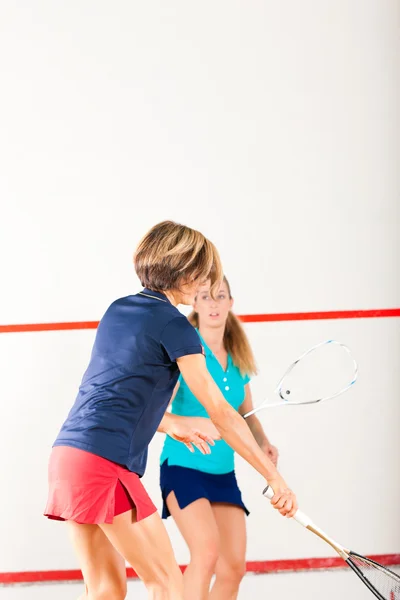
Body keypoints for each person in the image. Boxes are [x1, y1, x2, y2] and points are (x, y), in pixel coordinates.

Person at [44, 220, 297, 600]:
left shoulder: (118, 310)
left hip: (68, 458)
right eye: (202, 274)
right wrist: (274, 477)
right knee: (168, 586)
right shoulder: (175, 325)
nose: (204, 284)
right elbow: (222, 413)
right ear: (184, 269)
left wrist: (170, 423)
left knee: (105, 591)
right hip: (104, 463)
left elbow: (112, 397)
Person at [159, 277, 279, 599]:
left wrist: (263, 441)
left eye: (220, 296)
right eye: (205, 297)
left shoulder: (238, 356)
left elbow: (246, 414)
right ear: (194, 305)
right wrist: (189, 422)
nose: (213, 304)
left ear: (230, 302)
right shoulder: (185, 349)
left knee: (233, 569)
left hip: (223, 473)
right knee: (207, 553)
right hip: (183, 465)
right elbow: (156, 412)